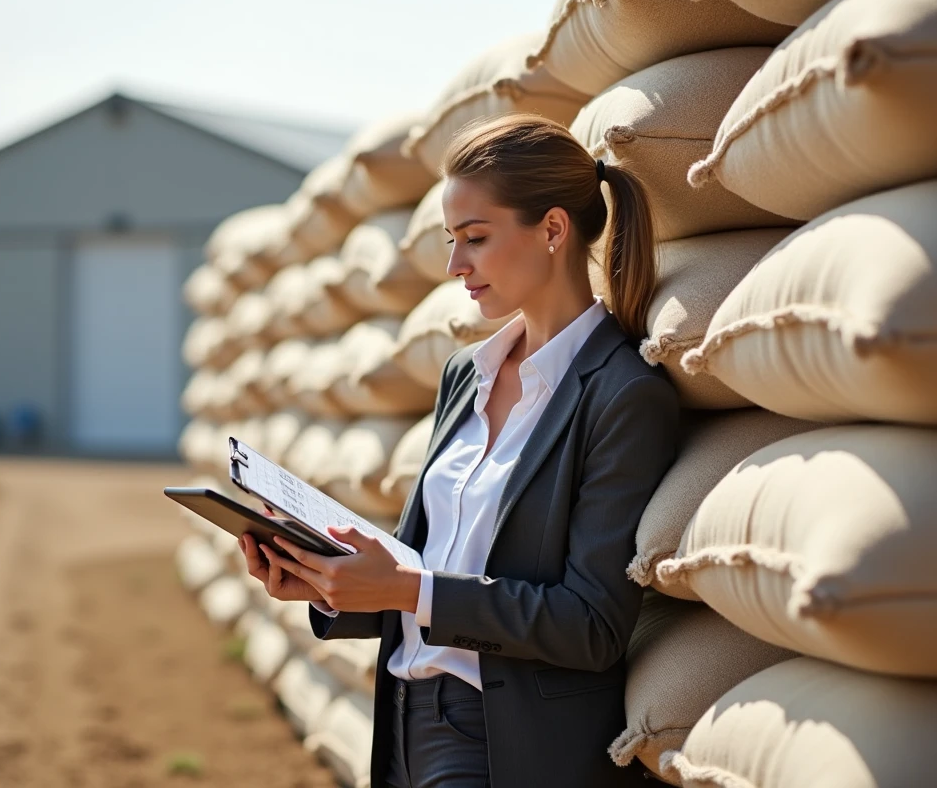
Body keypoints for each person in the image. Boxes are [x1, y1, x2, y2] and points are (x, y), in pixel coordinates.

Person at [240, 113, 680, 787]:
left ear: (554, 230)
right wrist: (333, 587)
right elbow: (434, 567)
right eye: (451, 240)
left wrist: (406, 587)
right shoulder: (464, 373)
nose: (453, 266)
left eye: (474, 238)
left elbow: (590, 625)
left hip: (503, 746)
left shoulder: (622, 394)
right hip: (406, 723)